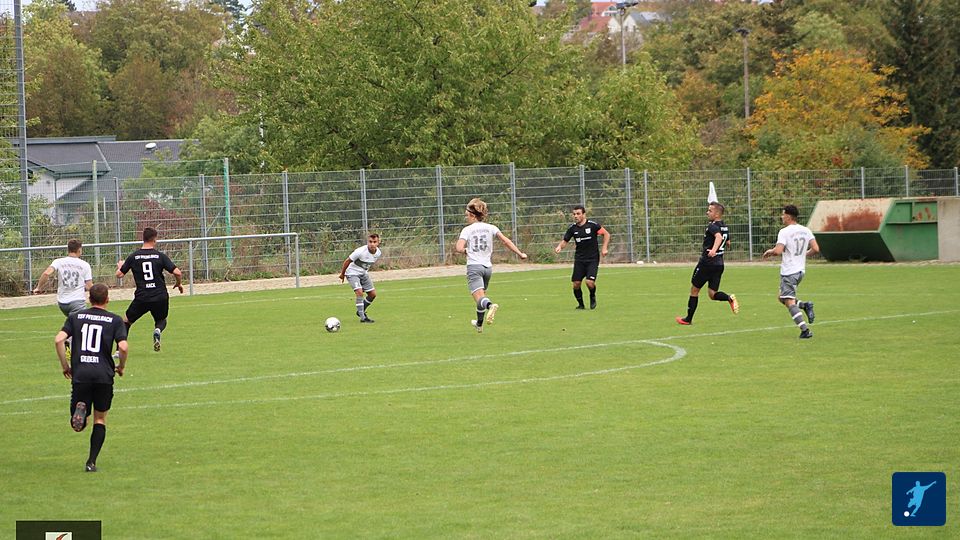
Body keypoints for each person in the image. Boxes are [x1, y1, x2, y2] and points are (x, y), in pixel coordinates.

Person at [55, 283, 128, 472]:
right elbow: (123, 347)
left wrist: (65, 366)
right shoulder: (115, 320)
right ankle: (91, 462)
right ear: (107, 299)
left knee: (79, 424)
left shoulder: (75, 317)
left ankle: (80, 410)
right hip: (103, 375)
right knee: (100, 419)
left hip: (81, 373)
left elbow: (59, 339)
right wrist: (121, 366)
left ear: (89, 298)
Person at [454, 198, 527, 333]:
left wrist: (465, 250)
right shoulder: (491, 228)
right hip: (487, 268)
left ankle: (491, 306)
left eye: (467, 215)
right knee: (481, 297)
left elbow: (458, 247)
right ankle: (479, 324)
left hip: (474, 267)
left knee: (481, 299)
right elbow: (506, 241)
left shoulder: (467, 230)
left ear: (473, 215)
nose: (466, 217)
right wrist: (520, 253)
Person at [116, 227, 183, 351]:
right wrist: (178, 283)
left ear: (143, 239)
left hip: (142, 297)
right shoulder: (160, 256)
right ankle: (157, 330)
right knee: (161, 320)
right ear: (154, 239)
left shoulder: (134, 256)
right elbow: (178, 272)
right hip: (160, 296)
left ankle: (118, 351)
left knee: (126, 321)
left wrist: (121, 266)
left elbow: (119, 275)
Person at [676, 202, 739, 325]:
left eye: (710, 211)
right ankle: (729, 298)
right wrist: (719, 249)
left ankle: (688, 319)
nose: (707, 212)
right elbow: (728, 242)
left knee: (694, 290)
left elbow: (719, 238)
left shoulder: (712, 226)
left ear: (717, 214)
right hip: (719, 264)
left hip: (707, 263)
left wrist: (713, 250)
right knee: (712, 294)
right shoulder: (724, 227)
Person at [762, 204, 819, 339]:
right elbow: (816, 249)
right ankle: (805, 305)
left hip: (789, 271)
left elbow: (778, 251)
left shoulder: (784, 232)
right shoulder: (806, 230)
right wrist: (803, 255)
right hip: (800, 271)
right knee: (781, 297)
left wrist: (770, 251)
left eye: (783, 214)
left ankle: (805, 330)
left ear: (788, 216)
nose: (782, 217)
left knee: (788, 301)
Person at [33, 239, 94, 354]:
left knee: (75, 322)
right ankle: (68, 341)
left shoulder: (59, 261)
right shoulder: (84, 265)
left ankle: (72, 343)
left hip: (62, 303)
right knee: (83, 324)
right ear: (79, 250)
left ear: (68, 249)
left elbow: (46, 273)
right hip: (77, 301)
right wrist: (100, 295)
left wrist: (39, 287)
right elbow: (89, 285)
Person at [554, 205, 610, 310]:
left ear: (584, 214)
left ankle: (592, 296)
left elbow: (606, 234)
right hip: (579, 259)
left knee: (589, 282)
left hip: (592, 259)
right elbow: (565, 241)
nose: (576, 216)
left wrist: (604, 248)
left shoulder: (592, 225)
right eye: (574, 214)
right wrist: (559, 247)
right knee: (576, 284)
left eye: (578, 214)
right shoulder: (572, 228)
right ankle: (581, 305)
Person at [338, 233, 382, 323]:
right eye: (370, 242)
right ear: (367, 242)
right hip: (352, 273)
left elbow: (366, 264)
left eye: (374, 242)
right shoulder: (360, 251)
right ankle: (363, 318)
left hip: (363, 274)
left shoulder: (378, 253)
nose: (372, 244)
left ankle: (360, 311)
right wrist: (342, 274)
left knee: (372, 294)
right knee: (359, 292)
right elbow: (347, 261)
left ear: (378, 243)